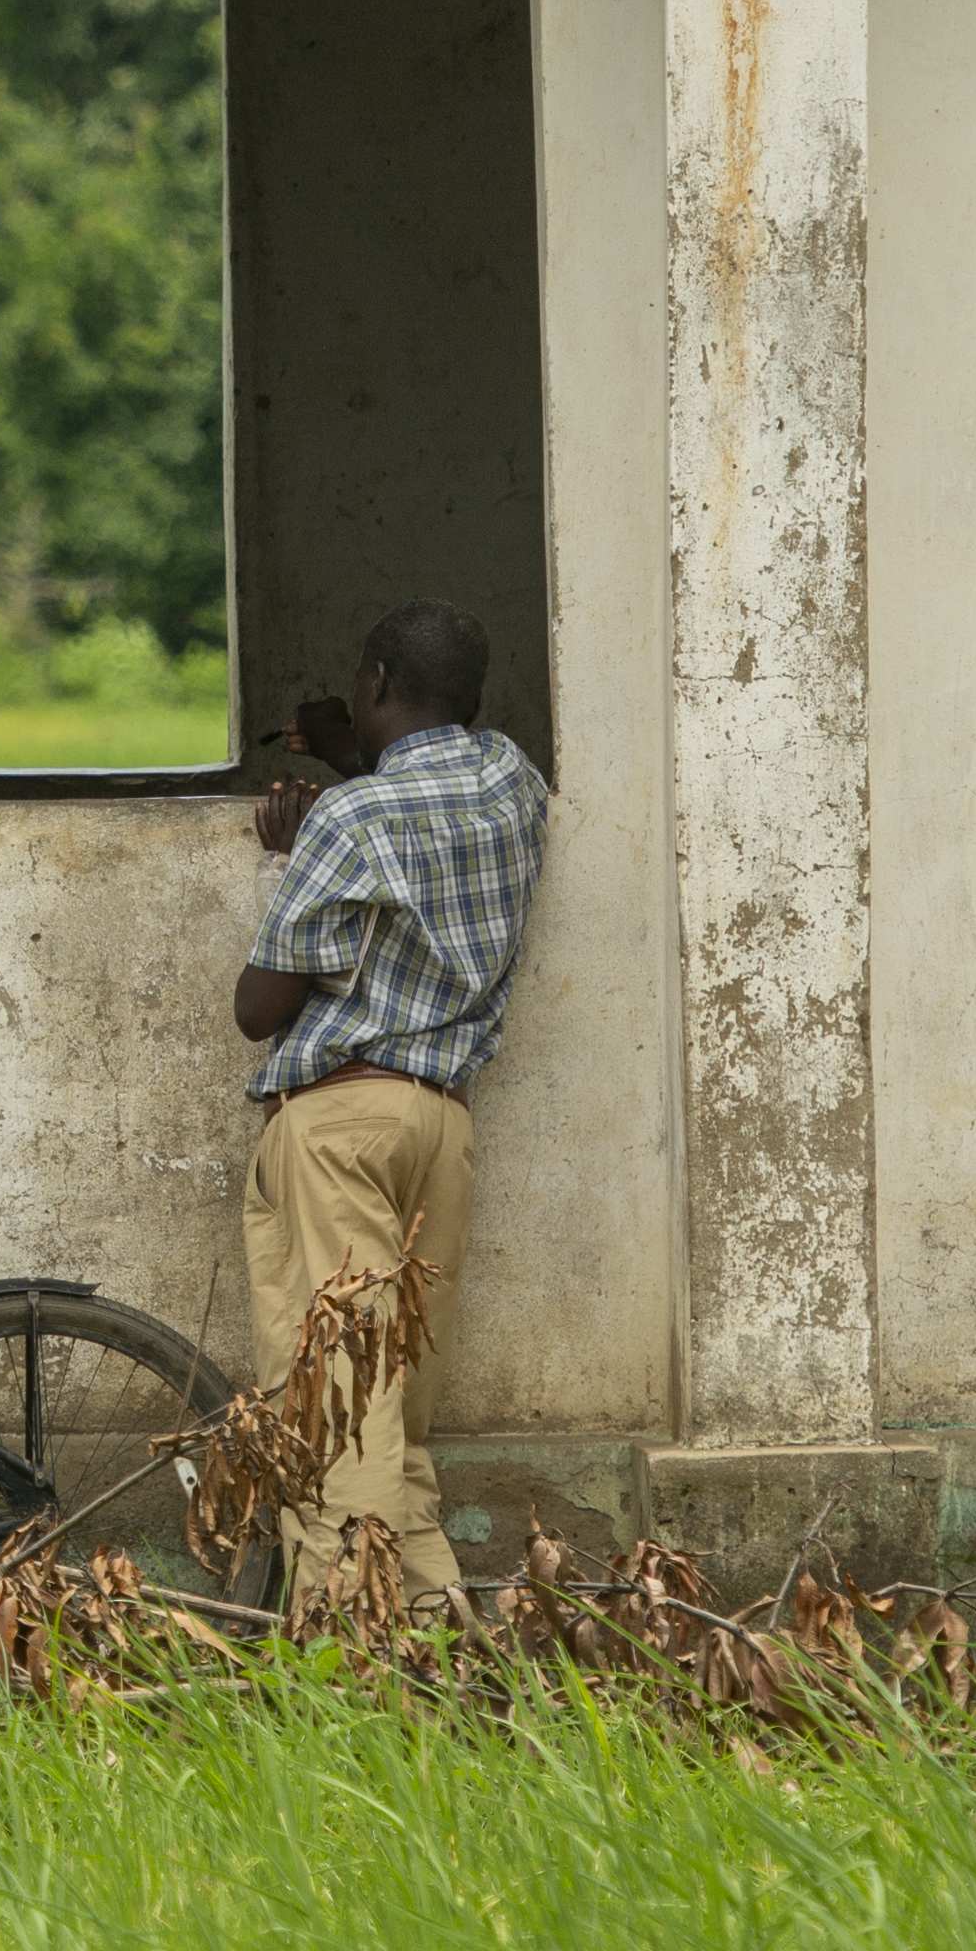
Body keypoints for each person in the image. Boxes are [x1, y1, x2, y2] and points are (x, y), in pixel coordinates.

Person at [229, 601, 549, 1604]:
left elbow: (258, 1006)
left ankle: (354, 1642)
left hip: (340, 1126)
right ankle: (431, 1630)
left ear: (370, 682)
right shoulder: (513, 781)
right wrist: (347, 759)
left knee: (337, 1395)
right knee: (392, 1405)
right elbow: (427, 806)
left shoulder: (350, 820)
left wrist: (305, 837)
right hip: (439, 1125)